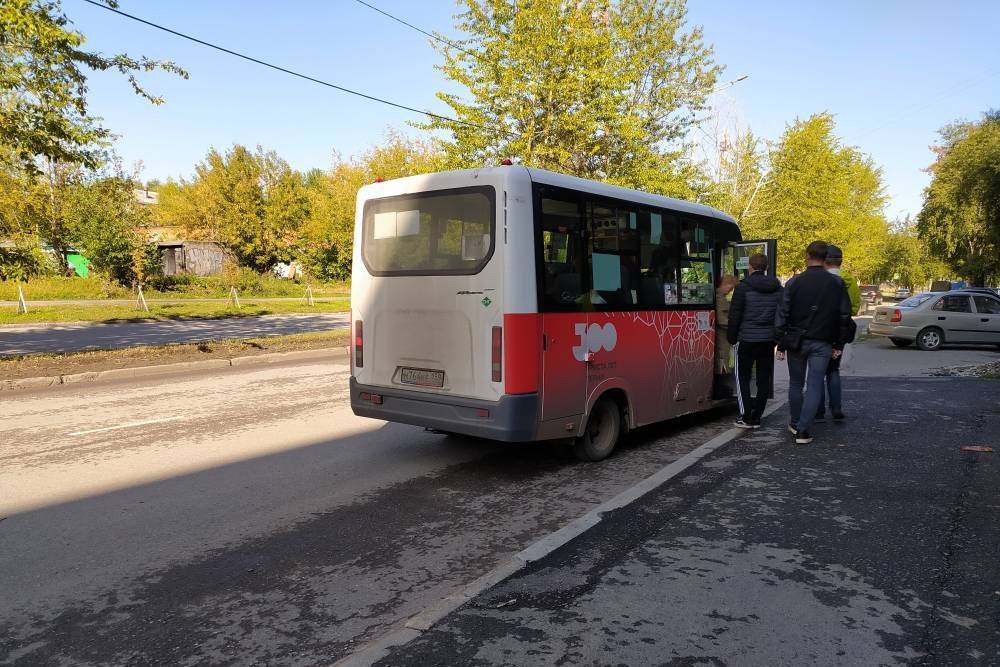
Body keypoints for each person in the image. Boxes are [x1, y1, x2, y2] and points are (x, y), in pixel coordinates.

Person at [775, 241, 853, 445]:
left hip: (796, 341)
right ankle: (803, 430)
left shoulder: (794, 282)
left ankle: (794, 421)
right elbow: (844, 315)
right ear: (826, 258)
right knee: (815, 384)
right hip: (824, 342)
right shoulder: (837, 284)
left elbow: (782, 314)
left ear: (807, 255)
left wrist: (781, 343)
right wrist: (839, 344)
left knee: (796, 383)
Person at [727, 253, 782, 429]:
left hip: (747, 339)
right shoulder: (777, 288)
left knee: (742, 377)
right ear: (766, 267)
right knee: (763, 379)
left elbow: (735, 315)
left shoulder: (743, 287)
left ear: (750, 266)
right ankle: (757, 416)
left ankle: (746, 416)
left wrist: (732, 336)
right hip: (768, 340)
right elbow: (781, 315)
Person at [816, 244, 860, 422]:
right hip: (840, 332)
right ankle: (836, 408)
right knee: (833, 370)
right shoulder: (850, 281)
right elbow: (855, 308)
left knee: (817, 372)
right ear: (840, 262)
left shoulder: (820, 279)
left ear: (824, 261)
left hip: (820, 330)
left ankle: (818, 411)